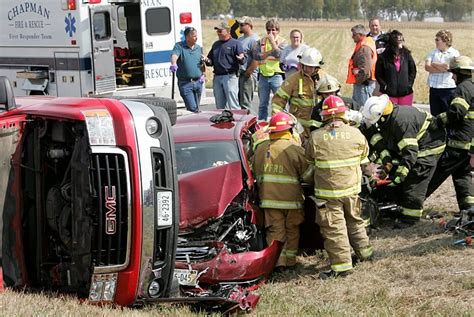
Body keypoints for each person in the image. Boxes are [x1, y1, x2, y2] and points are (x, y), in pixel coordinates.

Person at [305, 95, 373, 280]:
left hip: (328, 194)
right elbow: (364, 160)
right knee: (355, 220)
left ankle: (342, 266)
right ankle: (365, 254)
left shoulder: (316, 137)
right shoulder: (357, 134)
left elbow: (309, 160)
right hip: (352, 190)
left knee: (335, 228)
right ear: (344, 113)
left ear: (324, 115)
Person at [361, 94, 446, 225]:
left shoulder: (401, 123)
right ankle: (399, 204)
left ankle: (410, 219)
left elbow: (410, 153)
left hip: (429, 146)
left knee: (414, 179)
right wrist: (388, 164)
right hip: (416, 145)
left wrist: (398, 177)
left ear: (382, 117)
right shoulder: (390, 118)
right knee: (402, 173)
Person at [251, 112, 313, 270]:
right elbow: (307, 176)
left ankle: (278, 263)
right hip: (292, 200)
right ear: (290, 130)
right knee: (292, 229)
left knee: (275, 231)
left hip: (268, 200)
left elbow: (254, 172)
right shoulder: (294, 149)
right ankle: (291, 261)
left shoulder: (260, 149)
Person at [426, 56, 474, 213]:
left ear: (459, 73)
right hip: (469, 144)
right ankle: (469, 208)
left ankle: (411, 204)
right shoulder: (471, 87)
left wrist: (438, 121)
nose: (452, 77)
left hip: (459, 143)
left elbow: (456, 112)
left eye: (453, 73)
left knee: (435, 172)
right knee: (462, 175)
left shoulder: (462, 89)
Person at [271, 47, 327, 141]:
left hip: (320, 128)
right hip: (299, 128)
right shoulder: (293, 79)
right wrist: (279, 123)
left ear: (317, 67)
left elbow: (334, 99)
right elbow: (278, 101)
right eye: (305, 65)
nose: (307, 69)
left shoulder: (324, 78)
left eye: (311, 66)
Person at [250, 18, 288, 120]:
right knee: (262, 104)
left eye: (273, 30)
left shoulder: (283, 42)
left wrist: (272, 43)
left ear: (278, 31)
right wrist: (270, 52)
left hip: (277, 76)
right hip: (263, 76)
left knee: (280, 103)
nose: (270, 32)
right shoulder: (260, 42)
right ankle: (262, 124)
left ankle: (283, 122)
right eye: (268, 30)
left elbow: (279, 54)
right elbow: (256, 56)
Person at [204, 21, 245, 110]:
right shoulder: (216, 44)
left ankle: (236, 121)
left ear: (227, 31)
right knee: (219, 106)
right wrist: (207, 60)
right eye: (217, 31)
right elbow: (210, 61)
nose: (218, 33)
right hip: (217, 77)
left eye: (220, 31)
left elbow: (242, 59)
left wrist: (241, 58)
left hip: (230, 77)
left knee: (233, 104)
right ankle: (222, 121)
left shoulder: (235, 43)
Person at [375, 30, 417, 106]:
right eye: (399, 40)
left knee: (404, 115)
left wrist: (409, 85)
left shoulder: (406, 55)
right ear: (393, 42)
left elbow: (413, 71)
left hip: (406, 94)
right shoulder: (383, 57)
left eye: (402, 40)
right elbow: (378, 74)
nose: (401, 42)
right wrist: (385, 86)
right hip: (389, 94)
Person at [425, 29, 460, 116]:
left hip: (448, 88)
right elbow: (427, 67)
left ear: (445, 40)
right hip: (434, 88)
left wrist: (434, 64)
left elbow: (447, 67)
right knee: (435, 116)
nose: (435, 42)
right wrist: (440, 67)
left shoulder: (454, 53)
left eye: (437, 40)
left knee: (447, 115)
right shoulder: (433, 52)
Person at [169, 27, 205, 113]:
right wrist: (174, 63)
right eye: (193, 36)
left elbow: (201, 63)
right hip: (186, 83)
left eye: (196, 36)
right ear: (187, 37)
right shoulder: (179, 46)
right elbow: (174, 55)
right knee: (192, 108)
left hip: (198, 82)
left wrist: (203, 74)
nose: (196, 38)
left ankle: (197, 124)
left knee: (197, 107)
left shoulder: (198, 48)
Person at [346, 24, 377, 107]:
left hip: (363, 86)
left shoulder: (364, 49)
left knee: (362, 111)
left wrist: (358, 81)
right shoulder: (366, 43)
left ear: (360, 35)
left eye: (354, 35)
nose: (352, 37)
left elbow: (365, 71)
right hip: (364, 84)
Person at [237, 16, 259, 112]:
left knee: (246, 103)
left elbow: (256, 59)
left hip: (248, 75)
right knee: (240, 101)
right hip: (240, 73)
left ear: (249, 25)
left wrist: (248, 72)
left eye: (242, 25)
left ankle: (249, 123)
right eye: (239, 25)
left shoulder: (254, 39)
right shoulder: (240, 39)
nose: (240, 27)